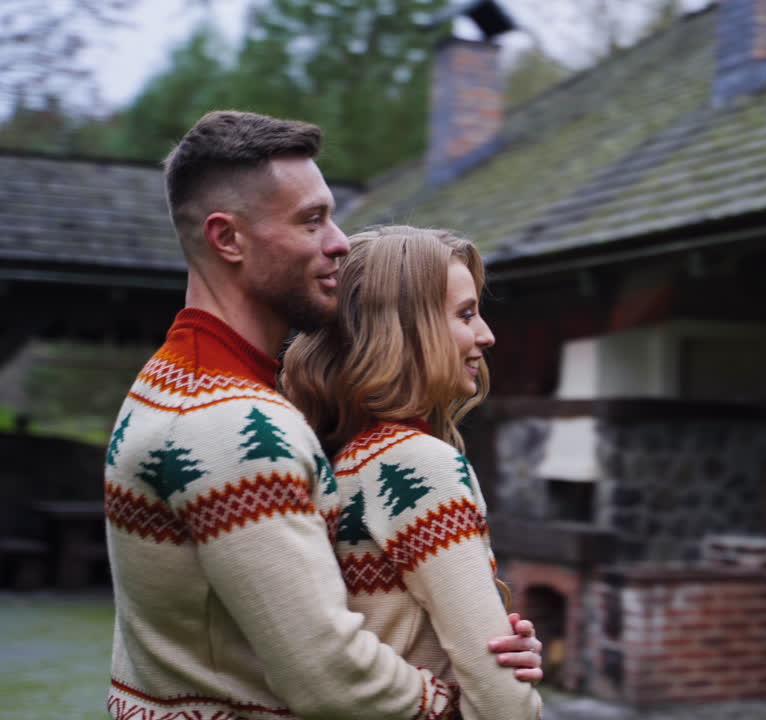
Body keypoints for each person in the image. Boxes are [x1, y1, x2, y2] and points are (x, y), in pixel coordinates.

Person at [102, 111, 538, 720]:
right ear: (228, 239)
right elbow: (329, 675)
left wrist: (471, 642)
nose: (338, 241)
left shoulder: (166, 386)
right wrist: (464, 700)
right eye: (311, 221)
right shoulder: (232, 425)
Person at [281, 225, 542, 720]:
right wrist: (509, 688)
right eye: (465, 314)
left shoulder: (340, 462)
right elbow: (499, 693)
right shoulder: (417, 465)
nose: (486, 335)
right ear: (403, 331)